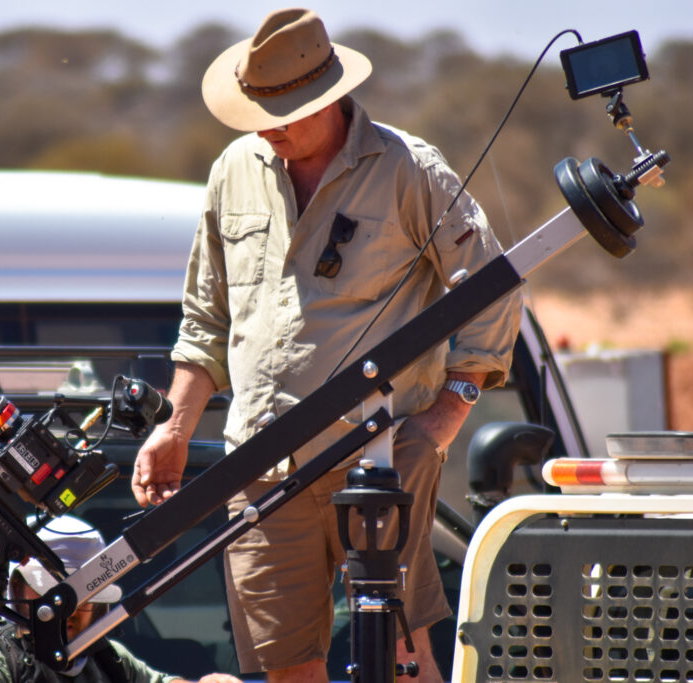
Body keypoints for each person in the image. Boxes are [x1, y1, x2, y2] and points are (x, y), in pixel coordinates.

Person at [131, 8, 522, 683]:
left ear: (332, 94)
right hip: (259, 467)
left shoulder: (407, 168)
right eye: (261, 110)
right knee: (288, 669)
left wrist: (444, 416)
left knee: (404, 654)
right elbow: (205, 320)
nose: (272, 126)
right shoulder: (233, 171)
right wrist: (174, 428)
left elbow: (493, 285)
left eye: (289, 110)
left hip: (378, 458)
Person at [0, 515, 243, 683]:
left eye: (85, 595)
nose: (69, 610)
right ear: (15, 588)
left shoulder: (108, 659)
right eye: (52, 594)